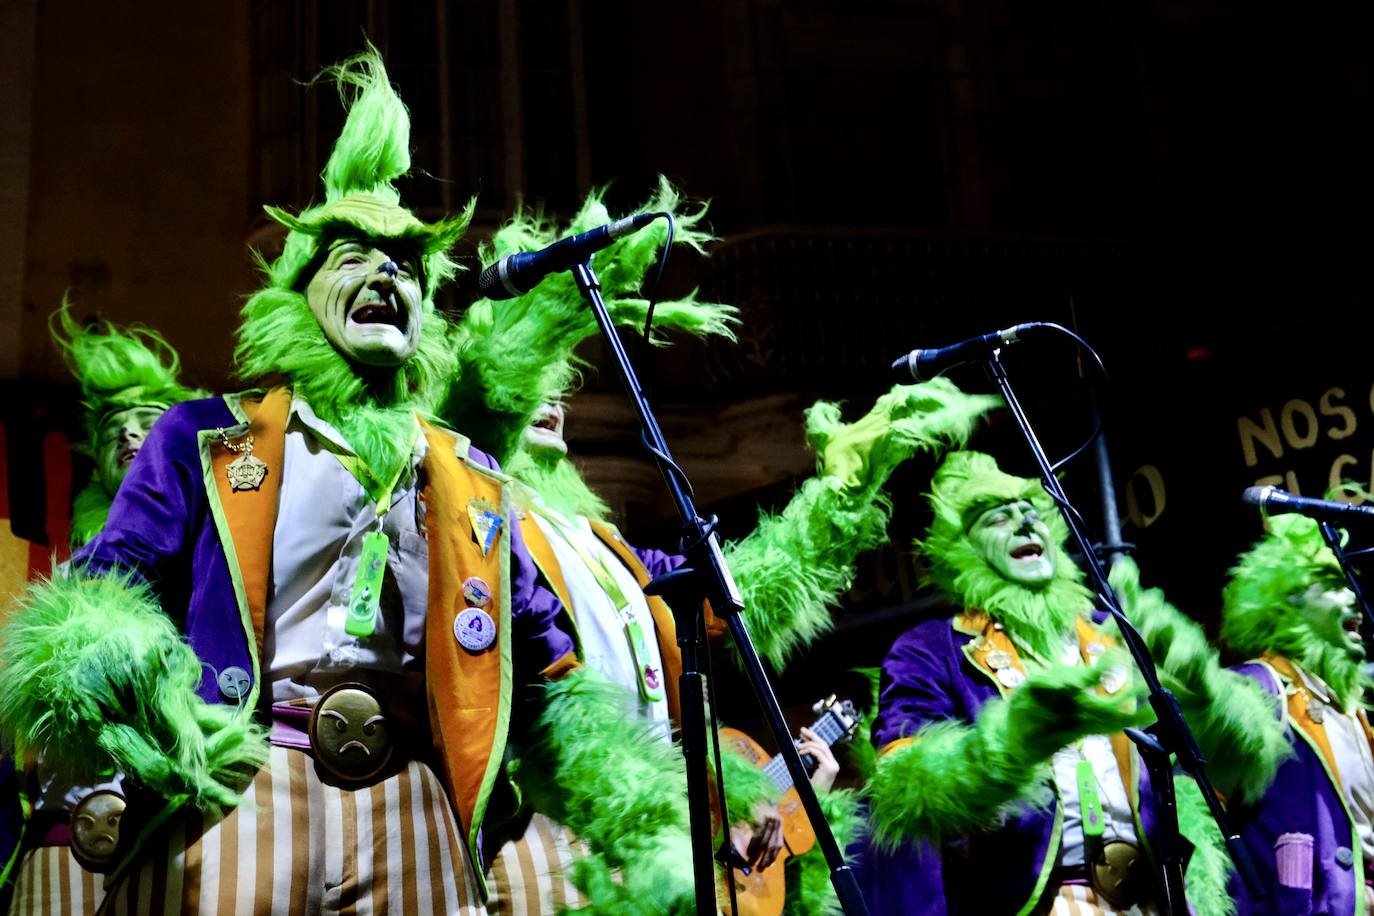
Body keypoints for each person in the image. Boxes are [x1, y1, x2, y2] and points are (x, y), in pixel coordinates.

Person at [0, 49, 696, 915]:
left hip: (414, 805)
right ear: (301, 293)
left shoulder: (470, 478)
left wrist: (643, 813)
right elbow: (115, 580)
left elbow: (548, 667)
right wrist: (110, 660)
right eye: (352, 259)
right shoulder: (208, 437)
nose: (384, 278)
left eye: (405, 267)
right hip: (245, 780)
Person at [458, 191, 1003, 913]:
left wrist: (839, 497)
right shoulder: (481, 529)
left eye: (567, 376)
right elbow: (548, 701)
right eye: (540, 371)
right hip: (547, 834)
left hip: (654, 843)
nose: (557, 392)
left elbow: (731, 599)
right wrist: (542, 317)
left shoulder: (597, 544)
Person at [864, 450, 1288, 915]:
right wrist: (1005, 748)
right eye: (998, 518)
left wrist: (1206, 695)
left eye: (1032, 513)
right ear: (963, 547)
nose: (1024, 524)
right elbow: (900, 782)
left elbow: (1238, 765)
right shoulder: (931, 649)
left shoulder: (1114, 633)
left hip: (1158, 897)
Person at [1221, 514, 1374, 915]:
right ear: (1288, 600)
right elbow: (1195, 809)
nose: (1354, 596)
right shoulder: (1255, 689)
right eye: (1335, 585)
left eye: (1350, 582)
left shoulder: (1353, 709)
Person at [49, 300, 206, 548]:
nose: (126, 432)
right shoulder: (87, 566)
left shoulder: (223, 544)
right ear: (98, 471)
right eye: (110, 434)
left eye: (149, 424)